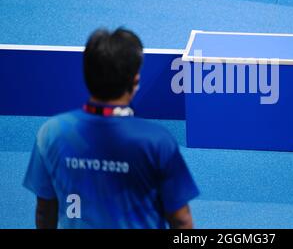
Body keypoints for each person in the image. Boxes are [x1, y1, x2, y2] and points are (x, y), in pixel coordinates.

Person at [23, 28, 199, 228]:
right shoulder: (156, 140)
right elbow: (181, 219)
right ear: (135, 81)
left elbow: (45, 210)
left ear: (86, 76)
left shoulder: (51, 133)